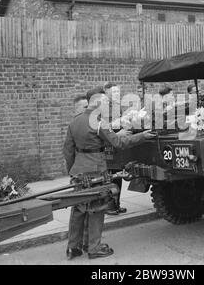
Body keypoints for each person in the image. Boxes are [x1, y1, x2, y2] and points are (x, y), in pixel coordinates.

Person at [63, 87, 155, 260]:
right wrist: (142, 136)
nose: (107, 105)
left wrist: (72, 169)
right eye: (105, 102)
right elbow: (119, 142)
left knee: (78, 209)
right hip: (95, 171)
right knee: (97, 209)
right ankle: (94, 248)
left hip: (78, 171)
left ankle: (73, 247)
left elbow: (67, 150)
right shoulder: (98, 121)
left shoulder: (74, 122)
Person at [103, 82, 127, 215]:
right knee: (111, 177)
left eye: (118, 92)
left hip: (117, 144)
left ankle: (116, 204)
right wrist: (117, 132)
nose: (118, 94)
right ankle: (109, 205)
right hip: (109, 146)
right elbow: (103, 128)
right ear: (107, 92)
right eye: (115, 92)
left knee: (118, 176)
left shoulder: (117, 106)